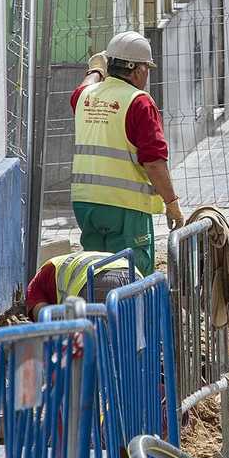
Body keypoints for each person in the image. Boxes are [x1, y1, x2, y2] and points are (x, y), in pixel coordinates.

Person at [70, 31, 184, 276]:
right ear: (139, 70)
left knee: (96, 274)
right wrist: (171, 203)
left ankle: (99, 316)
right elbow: (154, 162)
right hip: (124, 208)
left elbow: (83, 88)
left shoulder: (84, 97)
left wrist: (96, 70)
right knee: (130, 277)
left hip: (86, 205)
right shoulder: (139, 103)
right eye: (147, 68)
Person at [26, 250, 136, 319]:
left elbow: (44, 319)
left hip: (95, 280)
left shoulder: (35, 286)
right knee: (134, 341)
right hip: (134, 275)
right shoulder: (56, 266)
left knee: (94, 345)